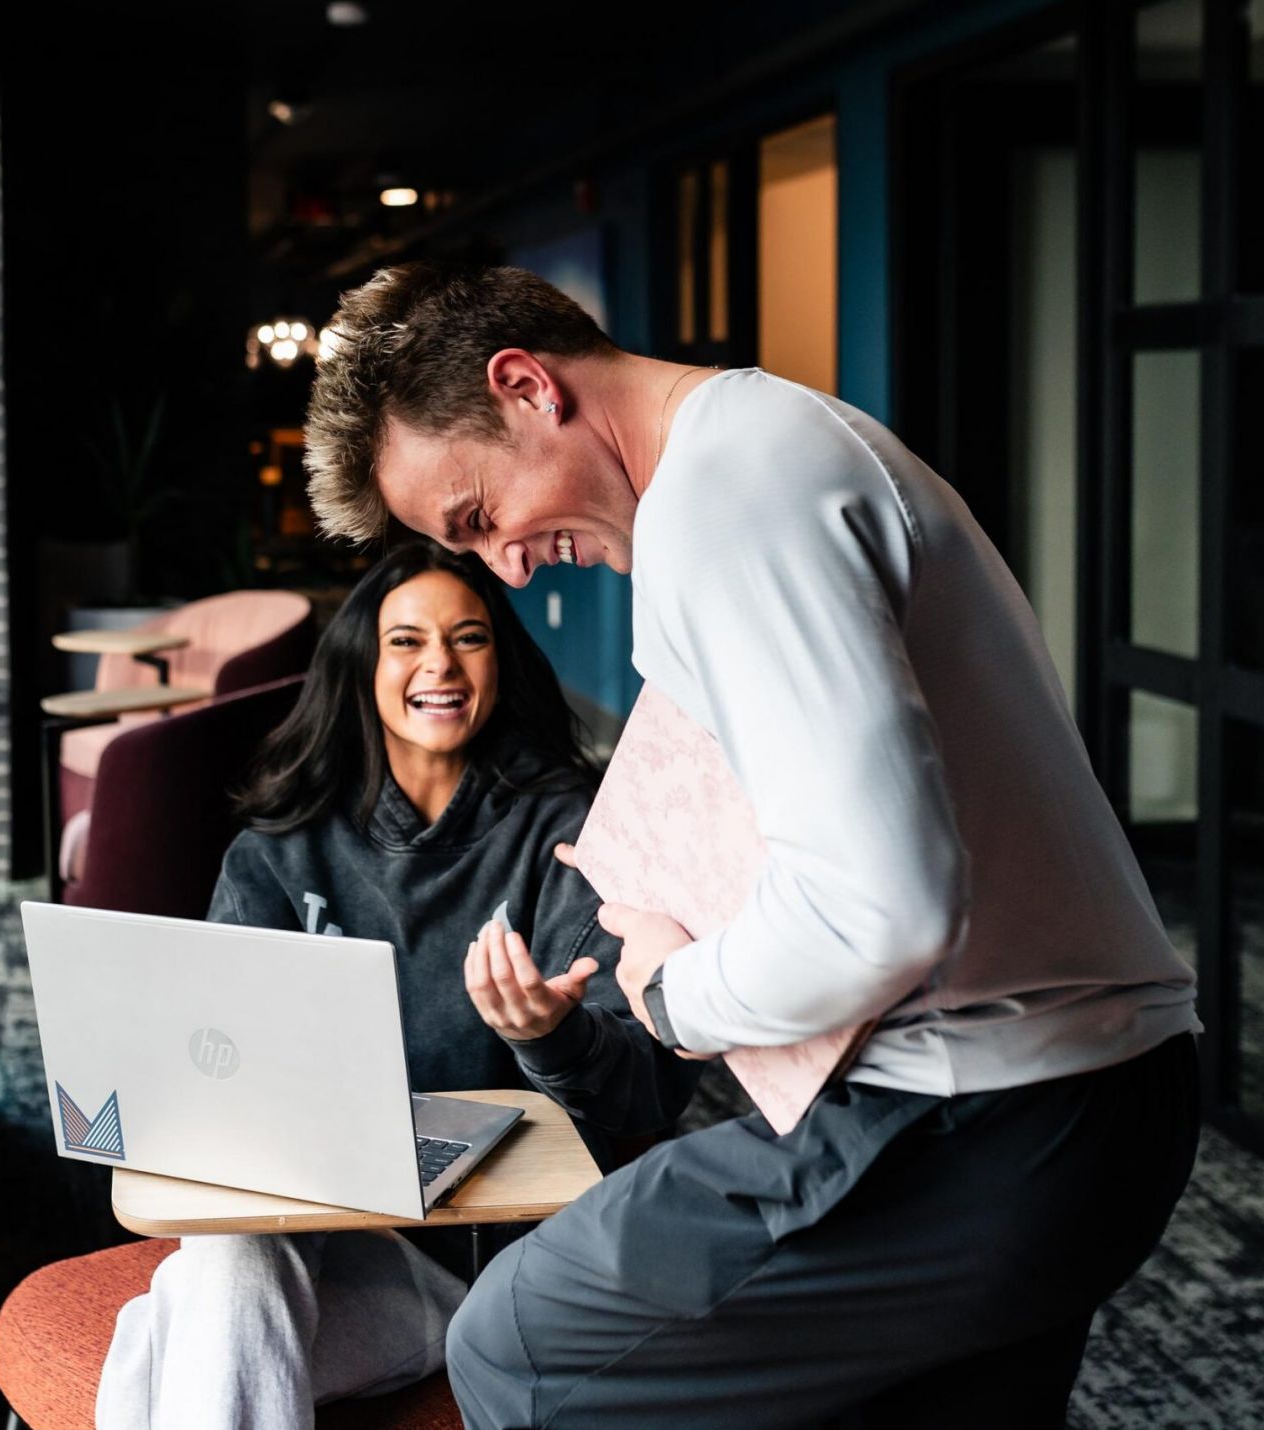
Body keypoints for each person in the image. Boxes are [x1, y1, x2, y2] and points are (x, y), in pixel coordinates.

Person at [300, 262, 1204, 1429]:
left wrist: (674, 992)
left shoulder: (724, 500)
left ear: (525, 386)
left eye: (480, 520)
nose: (508, 568)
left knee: (521, 1339)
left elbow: (881, 911)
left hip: (988, 1109)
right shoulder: (773, 440)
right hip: (1094, 1100)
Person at [95, 539, 700, 1430]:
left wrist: (549, 1037)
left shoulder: (567, 834)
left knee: (180, 1325)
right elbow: (214, 1076)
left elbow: (653, 1085)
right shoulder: (277, 852)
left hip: (480, 1270)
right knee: (218, 1274)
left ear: (502, 660)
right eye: (407, 641)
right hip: (300, 1235)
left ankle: (176, 1331)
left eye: (469, 638)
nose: (440, 665)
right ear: (362, 668)